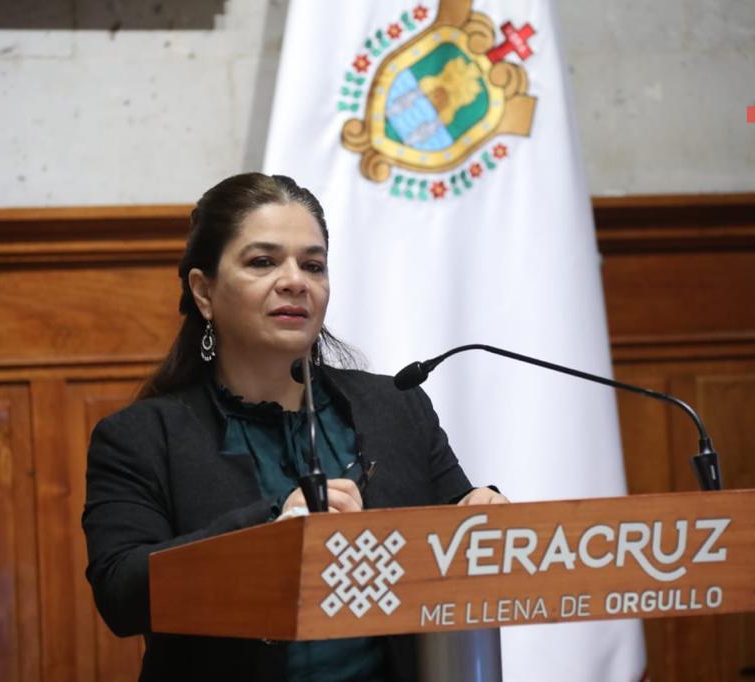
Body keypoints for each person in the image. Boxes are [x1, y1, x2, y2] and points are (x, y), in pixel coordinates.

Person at [82, 172, 508, 682]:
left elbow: (453, 529)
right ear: (204, 291)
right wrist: (269, 532)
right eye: (263, 262)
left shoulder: (396, 408)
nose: (295, 281)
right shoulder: (140, 437)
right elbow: (121, 594)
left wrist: (481, 513)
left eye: (313, 265)